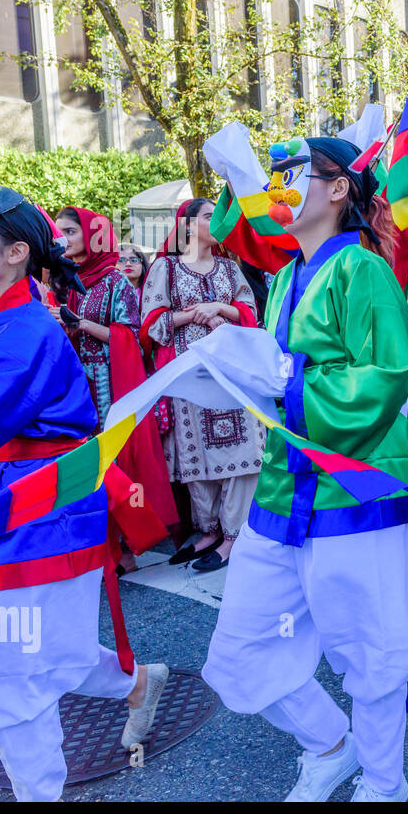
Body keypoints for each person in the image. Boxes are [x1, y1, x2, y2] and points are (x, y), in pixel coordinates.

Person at [201, 133, 408, 802]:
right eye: (272, 174)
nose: (276, 184)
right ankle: (330, 743)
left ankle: (384, 786)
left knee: (373, 655)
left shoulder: (363, 269)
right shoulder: (284, 276)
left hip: (353, 488)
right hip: (281, 491)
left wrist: (284, 384)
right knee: (238, 650)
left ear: (338, 188)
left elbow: (392, 372)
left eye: (292, 173)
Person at [0, 185, 168, 801]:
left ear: (16, 253)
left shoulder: (27, 329)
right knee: (44, 654)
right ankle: (137, 682)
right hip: (7, 514)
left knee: (10, 675)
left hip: (41, 514)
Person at [141, 199, 267, 572]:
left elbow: (250, 311)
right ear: (187, 224)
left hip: (231, 374)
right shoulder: (165, 267)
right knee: (194, 455)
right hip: (188, 377)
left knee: (242, 451)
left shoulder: (230, 267)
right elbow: (150, 323)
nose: (218, 222)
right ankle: (208, 530)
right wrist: (191, 315)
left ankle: (234, 536)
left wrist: (221, 309)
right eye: (210, 216)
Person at [52, 206, 177, 562]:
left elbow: (132, 337)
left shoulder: (114, 281)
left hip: (108, 383)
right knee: (80, 458)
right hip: (73, 385)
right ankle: (92, 543)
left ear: (93, 236)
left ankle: (125, 547)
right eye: (59, 233)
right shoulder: (61, 281)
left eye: (71, 232)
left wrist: (81, 324)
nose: (63, 239)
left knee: (112, 459)